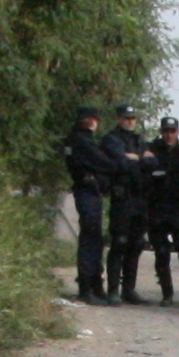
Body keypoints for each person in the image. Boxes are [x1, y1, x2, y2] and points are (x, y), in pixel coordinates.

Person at [137, 117, 179, 304]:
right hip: (157, 209)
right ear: (161, 132)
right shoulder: (151, 150)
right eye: (166, 131)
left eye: (172, 131)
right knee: (161, 253)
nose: (169, 135)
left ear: (178, 132)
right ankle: (167, 294)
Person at [63, 104, 114, 303]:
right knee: (90, 238)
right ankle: (87, 287)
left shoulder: (76, 139)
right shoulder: (82, 141)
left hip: (90, 191)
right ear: (93, 121)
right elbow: (106, 163)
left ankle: (94, 284)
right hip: (87, 192)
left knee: (94, 238)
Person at [100, 102, 150, 302]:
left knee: (136, 244)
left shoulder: (139, 140)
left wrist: (134, 158)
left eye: (132, 118)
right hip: (122, 197)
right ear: (119, 119)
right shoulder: (111, 139)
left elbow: (152, 162)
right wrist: (138, 159)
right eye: (126, 118)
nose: (130, 121)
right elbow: (119, 162)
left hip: (140, 197)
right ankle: (113, 290)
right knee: (119, 242)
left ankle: (129, 289)